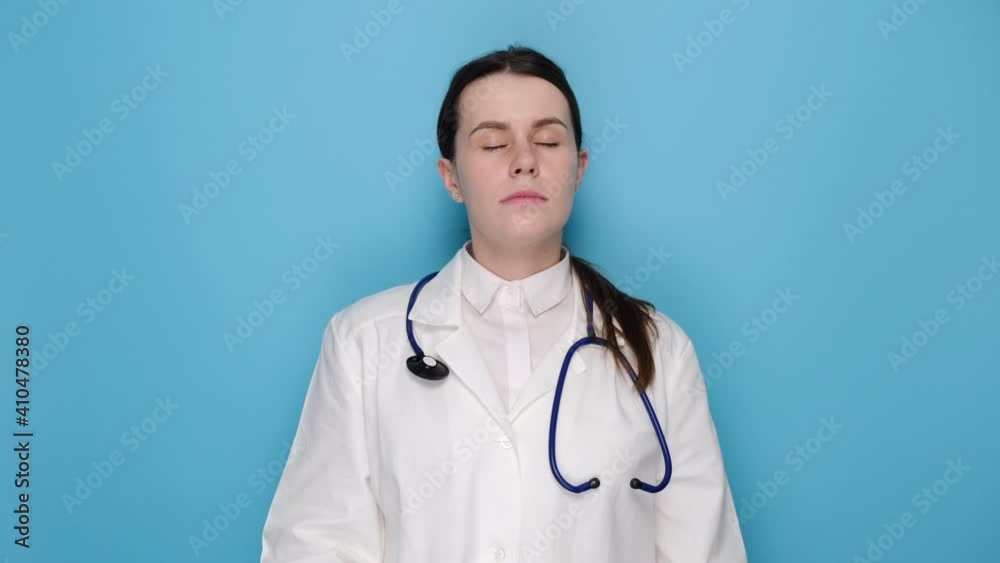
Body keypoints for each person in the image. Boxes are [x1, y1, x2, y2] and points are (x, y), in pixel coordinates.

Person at [260, 45, 747, 563]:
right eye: (493, 144)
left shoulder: (658, 349)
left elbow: (705, 552)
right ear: (451, 178)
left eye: (548, 140)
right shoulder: (363, 342)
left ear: (579, 168)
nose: (525, 162)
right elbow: (313, 546)